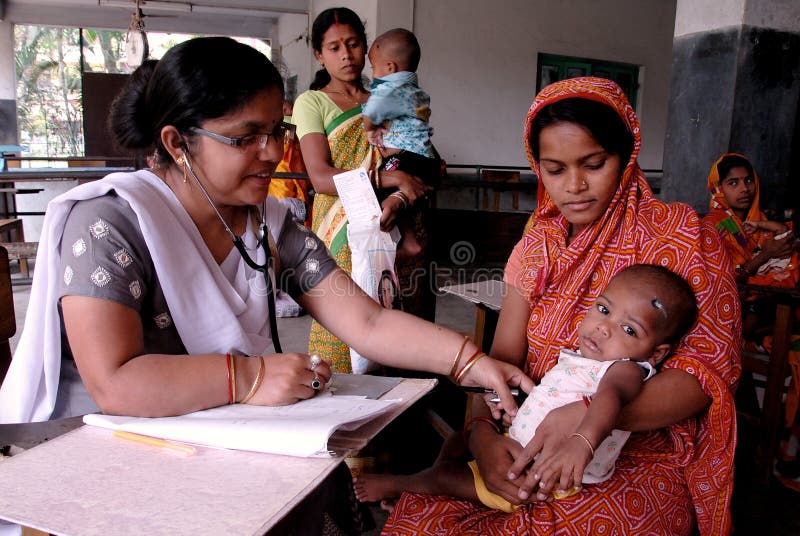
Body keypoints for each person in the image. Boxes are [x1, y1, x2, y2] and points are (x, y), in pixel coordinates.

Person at [0, 37, 534, 430]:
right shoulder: (109, 224)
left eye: (277, 130)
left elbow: (366, 322)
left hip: (213, 430)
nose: (275, 152)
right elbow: (114, 383)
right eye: (246, 137)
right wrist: (249, 377)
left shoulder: (269, 224)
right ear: (177, 143)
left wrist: (470, 361)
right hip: (99, 439)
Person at [381, 77, 741, 535]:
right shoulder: (538, 244)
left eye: (594, 164)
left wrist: (590, 419)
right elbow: (502, 361)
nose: (574, 186)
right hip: (523, 435)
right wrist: (484, 438)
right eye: (554, 169)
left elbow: (704, 377)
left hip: (633, 454)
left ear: (626, 156)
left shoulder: (683, 238)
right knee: (428, 518)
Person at [355, 264, 698, 510]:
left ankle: (409, 484)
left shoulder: (626, 370)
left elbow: (610, 400)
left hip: (537, 477)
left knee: (449, 482)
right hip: (520, 446)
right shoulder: (591, 357)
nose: (604, 328)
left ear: (656, 353)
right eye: (603, 309)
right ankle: (442, 469)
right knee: (460, 439)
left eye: (629, 330)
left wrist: (581, 441)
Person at [293, 7, 435, 373]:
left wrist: (404, 187)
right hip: (343, 231)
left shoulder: (387, 95)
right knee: (346, 330)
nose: (346, 55)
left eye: (354, 44)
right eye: (334, 47)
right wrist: (392, 180)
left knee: (404, 327)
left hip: (396, 221)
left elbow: (419, 154)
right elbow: (321, 177)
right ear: (319, 54)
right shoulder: (312, 102)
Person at [362, 28, 441, 261]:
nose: (373, 74)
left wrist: (369, 128)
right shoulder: (416, 91)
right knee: (401, 194)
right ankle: (410, 241)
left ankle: (405, 244)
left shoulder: (391, 90)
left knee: (379, 191)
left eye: (374, 68)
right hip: (423, 156)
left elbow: (371, 113)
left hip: (406, 157)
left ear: (390, 67)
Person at [702, 153, 798, 339]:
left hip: (769, 299)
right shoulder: (713, 227)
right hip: (729, 307)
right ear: (718, 188)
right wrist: (766, 254)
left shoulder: (762, 221)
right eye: (733, 183)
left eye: (748, 180)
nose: (744, 189)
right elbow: (722, 282)